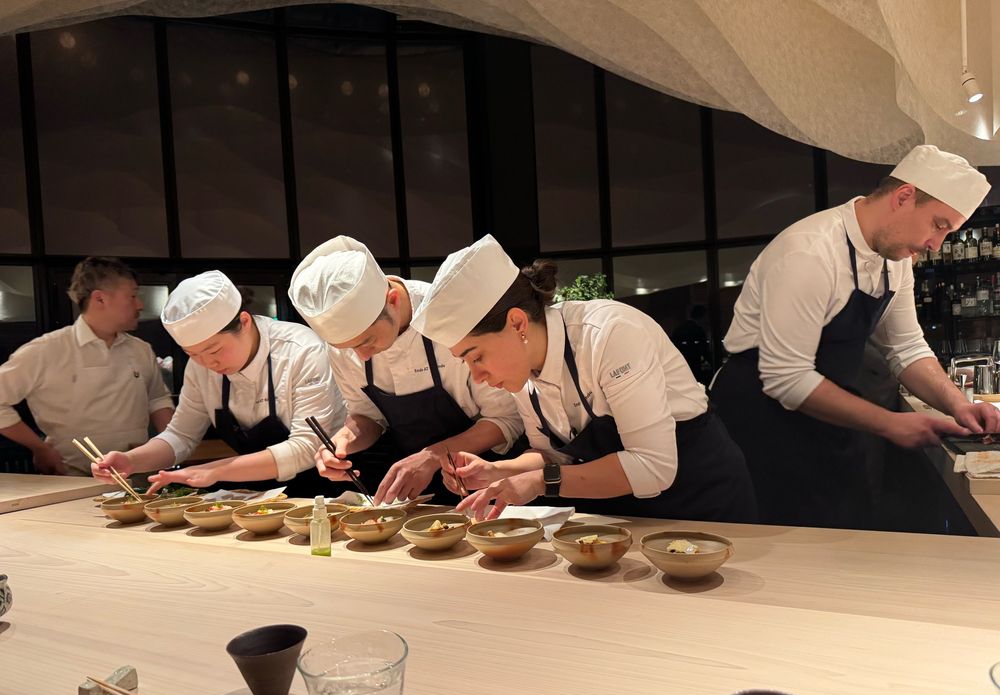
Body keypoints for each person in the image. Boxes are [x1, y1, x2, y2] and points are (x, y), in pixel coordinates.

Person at [710, 144, 997, 527]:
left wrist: (958, 405)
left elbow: (906, 347)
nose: (935, 244)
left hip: (827, 412)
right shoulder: (809, 253)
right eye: (938, 225)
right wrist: (890, 422)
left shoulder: (895, 259)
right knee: (780, 542)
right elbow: (786, 378)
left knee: (847, 531)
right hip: (761, 418)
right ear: (904, 196)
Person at [409, 234, 757, 522]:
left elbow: (652, 466)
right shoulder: (522, 374)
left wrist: (539, 483)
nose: (478, 376)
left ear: (517, 323)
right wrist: (500, 471)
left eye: (477, 357)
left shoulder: (609, 335)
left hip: (701, 499)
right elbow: (552, 456)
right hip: (626, 515)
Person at [288, 236, 523, 504]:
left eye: (367, 341)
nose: (361, 355)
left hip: (485, 477)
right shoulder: (346, 347)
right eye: (347, 348)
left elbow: (505, 419)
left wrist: (432, 456)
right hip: (411, 488)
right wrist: (343, 441)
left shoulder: (449, 315)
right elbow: (368, 415)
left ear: (393, 300)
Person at [92, 270, 346, 495]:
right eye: (192, 354)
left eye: (214, 350)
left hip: (329, 485)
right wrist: (131, 460)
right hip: (258, 491)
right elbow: (181, 435)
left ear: (244, 322)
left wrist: (215, 470)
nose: (206, 363)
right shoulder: (200, 367)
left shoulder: (301, 350)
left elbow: (306, 446)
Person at [0, 257, 173, 475]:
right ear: (99, 298)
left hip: (137, 474)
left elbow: (157, 399)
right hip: (71, 476)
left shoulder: (141, 349)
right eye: (132, 296)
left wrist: (171, 448)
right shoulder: (45, 349)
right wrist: (39, 447)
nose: (140, 304)